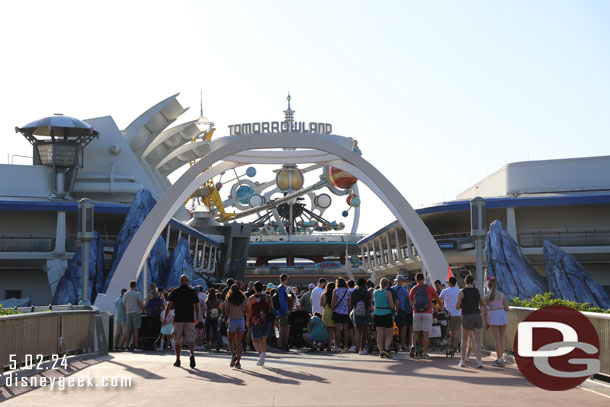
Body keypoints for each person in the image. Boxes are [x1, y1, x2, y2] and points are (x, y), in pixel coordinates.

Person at [164, 274, 199, 368]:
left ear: (180, 281)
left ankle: (178, 360)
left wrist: (165, 316)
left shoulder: (175, 292)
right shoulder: (192, 292)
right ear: (188, 281)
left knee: (177, 339)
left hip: (178, 319)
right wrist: (197, 317)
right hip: (189, 318)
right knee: (191, 338)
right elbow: (196, 305)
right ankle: (192, 354)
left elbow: (169, 305)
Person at [456, 274, 486, 368]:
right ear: (473, 282)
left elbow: (457, 306)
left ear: (465, 282)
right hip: (477, 316)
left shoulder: (462, 292)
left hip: (466, 316)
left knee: (464, 340)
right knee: (477, 340)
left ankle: (463, 361)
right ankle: (479, 361)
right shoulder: (477, 291)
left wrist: (463, 305)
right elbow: (484, 303)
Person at [408, 272, 440, 359]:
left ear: (416, 280)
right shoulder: (429, 288)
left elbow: (411, 300)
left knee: (415, 332)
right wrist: (441, 306)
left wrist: (414, 308)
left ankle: (413, 346)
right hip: (427, 312)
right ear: (424, 279)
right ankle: (425, 353)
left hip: (416, 313)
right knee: (426, 334)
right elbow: (437, 297)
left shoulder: (413, 289)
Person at [247, 281, 274, 366]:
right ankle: (262, 357)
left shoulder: (252, 298)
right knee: (263, 339)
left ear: (254, 288)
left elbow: (249, 311)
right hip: (267, 320)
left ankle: (261, 354)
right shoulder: (268, 297)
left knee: (255, 340)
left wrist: (247, 320)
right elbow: (272, 309)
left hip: (256, 320)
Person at [484, 277, 509, 367]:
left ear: (488, 285)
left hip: (493, 316)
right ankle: (501, 358)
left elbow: (485, 310)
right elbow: (507, 308)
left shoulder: (486, 297)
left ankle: (499, 359)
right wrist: (500, 307)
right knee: (501, 338)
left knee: (496, 339)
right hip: (502, 316)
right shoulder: (502, 295)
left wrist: (486, 322)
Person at [224, 284, 247, 369]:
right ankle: (238, 363)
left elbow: (227, 311)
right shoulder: (243, 299)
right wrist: (241, 312)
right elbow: (247, 309)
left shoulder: (229, 299)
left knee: (230, 341)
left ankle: (233, 354)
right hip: (241, 320)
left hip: (232, 320)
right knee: (239, 343)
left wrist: (228, 316)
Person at [373, 278, 395, 358]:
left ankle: (381, 352)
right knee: (389, 332)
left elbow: (375, 303)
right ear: (388, 284)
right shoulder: (388, 293)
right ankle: (386, 349)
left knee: (379, 334)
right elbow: (391, 305)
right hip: (386, 313)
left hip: (377, 313)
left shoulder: (375, 292)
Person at [351, 278, 372, 355]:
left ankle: (357, 347)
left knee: (357, 331)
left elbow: (352, 303)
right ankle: (361, 348)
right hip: (365, 311)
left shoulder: (354, 292)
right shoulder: (367, 292)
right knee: (364, 331)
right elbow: (369, 303)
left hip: (356, 311)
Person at [439, 277, 461, 351]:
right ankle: (455, 345)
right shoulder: (459, 291)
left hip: (449, 314)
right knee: (457, 330)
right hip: (458, 313)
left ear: (449, 283)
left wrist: (441, 306)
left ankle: (450, 345)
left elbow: (439, 300)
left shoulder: (444, 291)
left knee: (450, 330)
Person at [123, 280, 145, 351]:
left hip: (128, 313)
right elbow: (140, 303)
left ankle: (127, 346)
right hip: (136, 312)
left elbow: (125, 304)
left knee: (128, 330)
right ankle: (136, 346)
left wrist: (126, 311)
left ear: (130, 286)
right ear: (135, 286)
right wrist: (144, 311)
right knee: (136, 330)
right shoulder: (137, 294)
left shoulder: (126, 294)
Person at [332, 278, 351, 352]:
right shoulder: (347, 291)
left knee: (337, 330)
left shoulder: (335, 290)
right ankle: (346, 346)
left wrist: (332, 311)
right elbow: (349, 303)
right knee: (346, 330)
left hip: (337, 312)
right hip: (345, 312)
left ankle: (338, 346)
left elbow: (333, 302)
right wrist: (348, 311)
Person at [391, 275, 410, 351]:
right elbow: (409, 296)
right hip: (401, 310)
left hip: (392, 310)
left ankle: (392, 343)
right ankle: (403, 344)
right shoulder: (403, 289)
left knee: (392, 327)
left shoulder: (391, 289)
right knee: (403, 327)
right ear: (402, 281)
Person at [276, 274, 290, 350]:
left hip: (281, 311)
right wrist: (285, 310)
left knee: (282, 327)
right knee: (282, 327)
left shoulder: (280, 288)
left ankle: (280, 343)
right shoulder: (282, 288)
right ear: (286, 279)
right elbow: (282, 301)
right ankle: (280, 344)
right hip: (282, 311)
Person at [320, 282, 336, 350]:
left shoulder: (323, 294)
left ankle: (329, 346)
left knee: (328, 331)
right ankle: (336, 345)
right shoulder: (336, 294)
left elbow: (321, 304)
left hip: (326, 312)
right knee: (336, 330)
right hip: (335, 312)